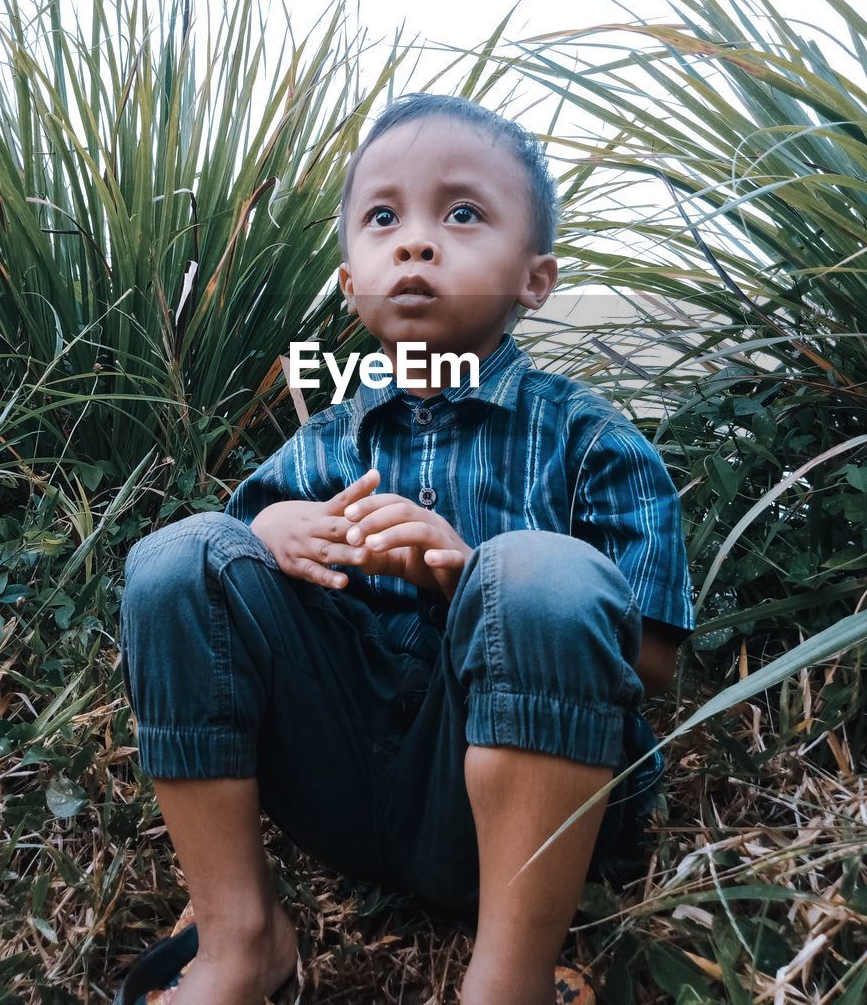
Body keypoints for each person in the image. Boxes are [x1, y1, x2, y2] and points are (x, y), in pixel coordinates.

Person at [118, 92, 697, 1005]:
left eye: (463, 214)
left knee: (536, 570)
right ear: (351, 284)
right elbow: (220, 607)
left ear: (534, 279)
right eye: (383, 217)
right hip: (343, 789)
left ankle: (510, 978)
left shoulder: (591, 441)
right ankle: (239, 935)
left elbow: (653, 662)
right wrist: (267, 535)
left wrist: (473, 579)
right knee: (177, 557)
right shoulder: (317, 447)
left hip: (526, 817)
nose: (416, 242)